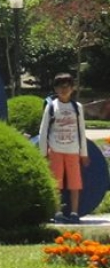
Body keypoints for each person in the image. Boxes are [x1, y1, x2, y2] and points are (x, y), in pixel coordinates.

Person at [39, 72, 89, 223]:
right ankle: (57, 212)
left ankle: (74, 212)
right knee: (56, 183)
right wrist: (43, 153)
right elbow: (44, 130)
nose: (64, 90)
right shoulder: (51, 107)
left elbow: (81, 130)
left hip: (73, 150)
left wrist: (84, 153)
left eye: (67, 87)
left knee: (75, 183)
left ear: (72, 88)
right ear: (55, 89)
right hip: (55, 150)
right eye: (60, 87)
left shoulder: (77, 107)